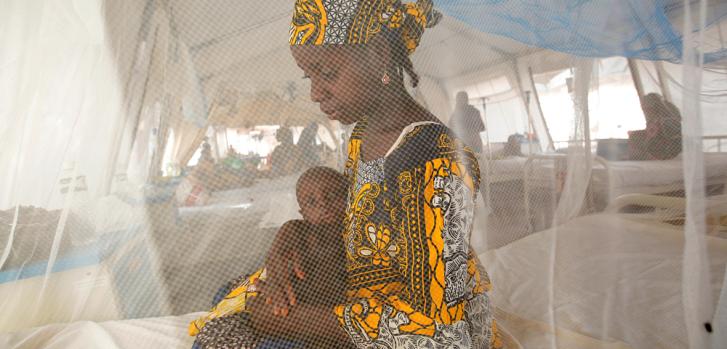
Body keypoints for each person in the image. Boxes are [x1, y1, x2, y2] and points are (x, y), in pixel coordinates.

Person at [259, 1, 501, 348]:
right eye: (308, 76)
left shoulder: (434, 160)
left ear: (377, 54)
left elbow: (441, 331)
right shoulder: (363, 135)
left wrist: (299, 322)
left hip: (407, 330)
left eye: (326, 73)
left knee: (253, 320)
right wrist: (292, 233)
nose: (314, 93)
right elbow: (351, 220)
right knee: (241, 299)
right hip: (358, 296)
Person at [190, 167, 353, 348]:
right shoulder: (304, 233)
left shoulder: (352, 237)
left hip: (311, 312)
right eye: (311, 202)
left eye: (332, 195)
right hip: (283, 294)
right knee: (226, 294)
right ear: (303, 214)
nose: (323, 204)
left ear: (351, 196)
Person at [628, 93, 682, 160]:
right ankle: (640, 156)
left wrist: (654, 132)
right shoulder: (652, 116)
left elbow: (675, 132)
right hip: (657, 137)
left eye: (647, 108)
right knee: (634, 135)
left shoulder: (669, 116)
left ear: (653, 106)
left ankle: (653, 157)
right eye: (644, 108)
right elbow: (650, 129)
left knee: (649, 142)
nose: (646, 111)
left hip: (669, 142)